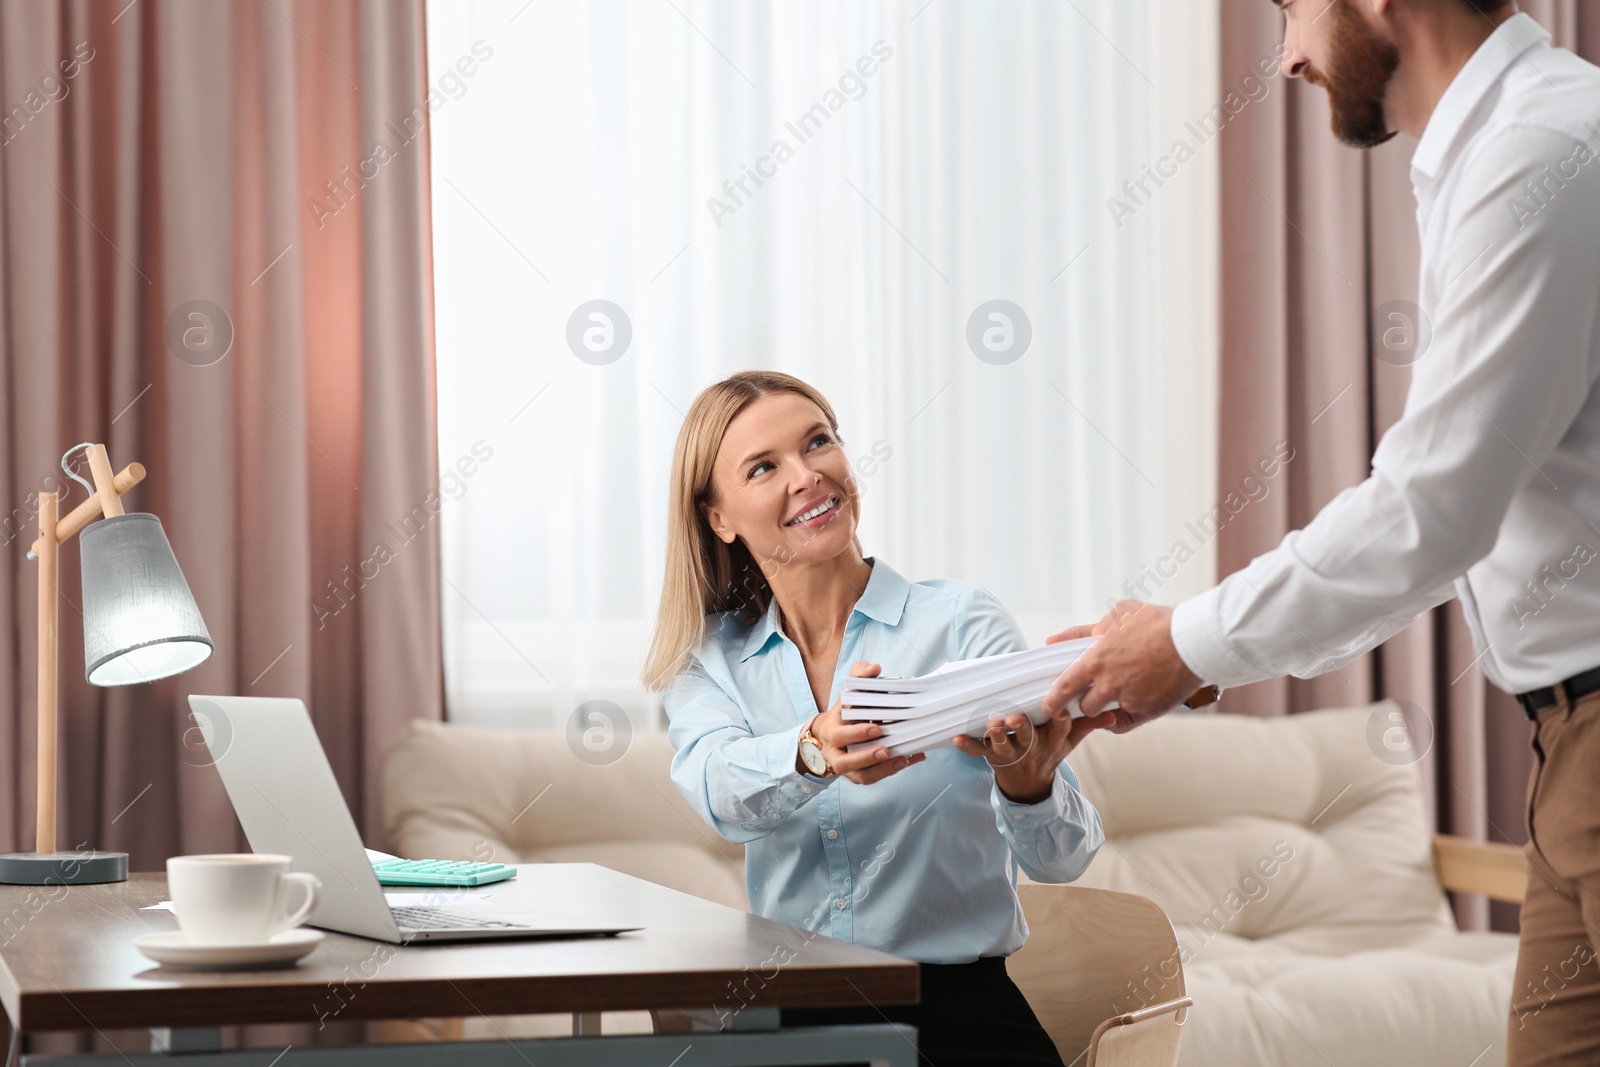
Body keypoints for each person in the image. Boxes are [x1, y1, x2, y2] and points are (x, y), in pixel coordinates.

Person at [1038, 3, 1600, 1064]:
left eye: (1292, 9)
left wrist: (1183, 643)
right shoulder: (1496, 151)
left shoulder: (1542, 152)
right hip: (1563, 750)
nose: (1289, 54)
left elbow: (1431, 509)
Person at [644, 370, 1108, 1067]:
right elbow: (719, 792)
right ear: (720, 517)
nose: (807, 475)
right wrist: (812, 751)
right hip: (788, 1015)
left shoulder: (958, 621)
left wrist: (1029, 785)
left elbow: (1065, 857)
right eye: (765, 466)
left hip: (959, 1014)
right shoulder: (712, 659)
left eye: (818, 442)